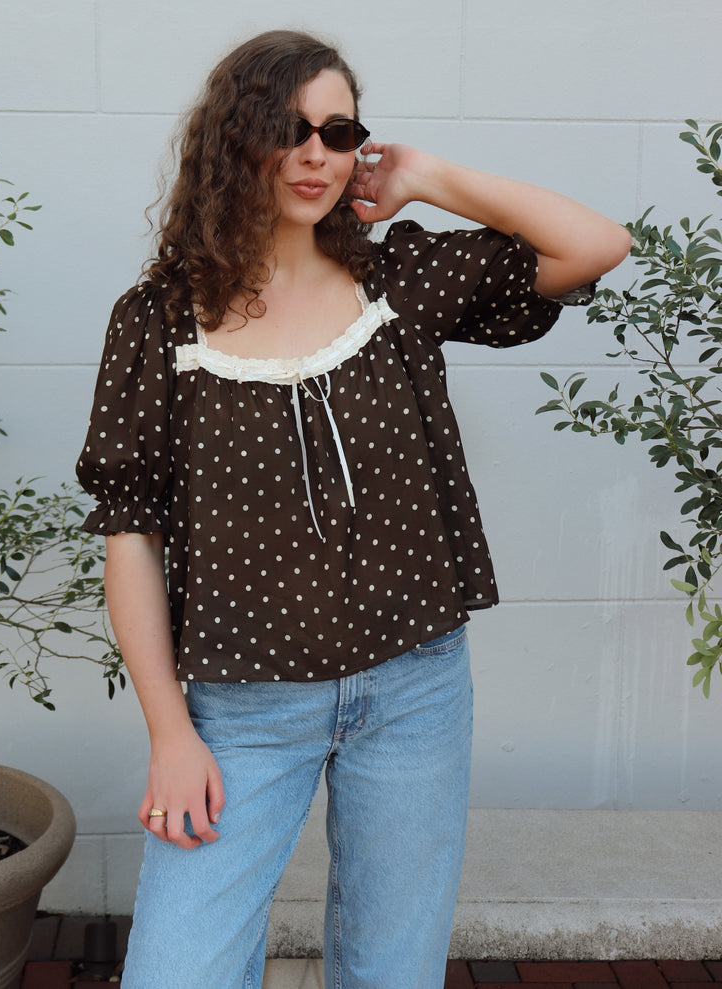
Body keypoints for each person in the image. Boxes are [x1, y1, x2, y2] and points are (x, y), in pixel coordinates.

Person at [76, 28, 630, 989]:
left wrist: (427, 176)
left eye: (339, 133)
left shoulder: (398, 281)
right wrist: (170, 733)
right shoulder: (159, 320)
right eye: (287, 128)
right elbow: (131, 535)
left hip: (416, 689)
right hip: (244, 706)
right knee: (178, 970)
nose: (315, 154)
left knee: (391, 970)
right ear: (232, 139)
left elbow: (596, 244)